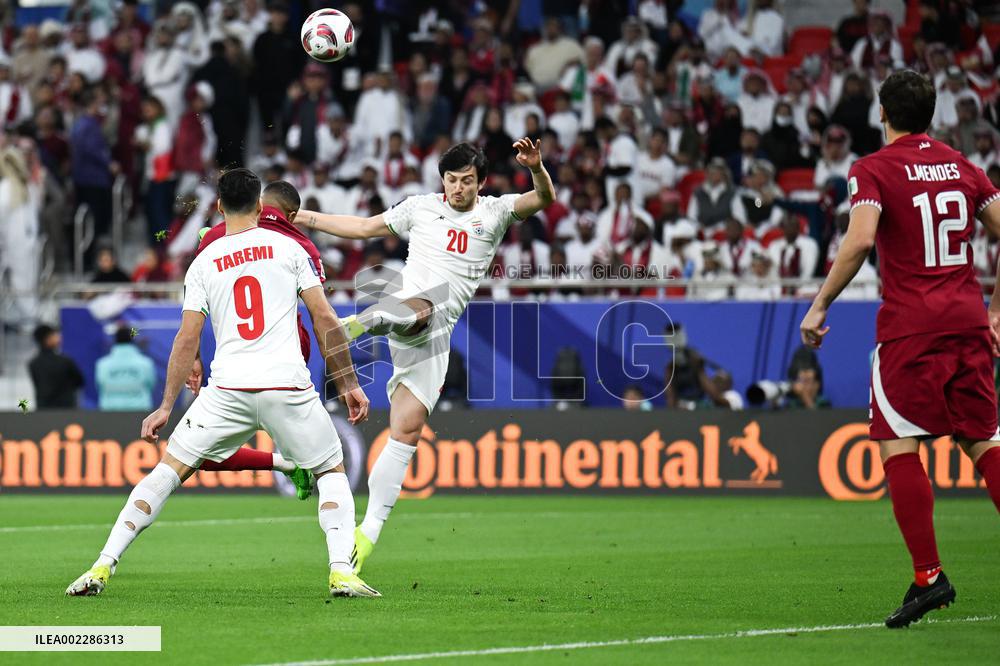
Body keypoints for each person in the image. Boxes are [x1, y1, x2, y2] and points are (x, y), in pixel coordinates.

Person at [66, 169, 379, 598]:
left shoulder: (204, 261)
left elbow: (187, 338)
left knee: (166, 473)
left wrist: (165, 405)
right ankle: (341, 570)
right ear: (259, 208)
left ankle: (102, 565)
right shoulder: (289, 248)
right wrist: (347, 383)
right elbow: (325, 319)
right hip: (286, 386)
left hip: (228, 389)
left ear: (217, 208)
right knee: (331, 470)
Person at [295, 138, 555, 574]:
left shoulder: (494, 212)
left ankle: (367, 535)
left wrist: (536, 168)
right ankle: (364, 322)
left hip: (435, 336)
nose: (458, 188)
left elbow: (544, 198)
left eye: (467, 181)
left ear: (481, 182)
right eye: (451, 180)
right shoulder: (419, 208)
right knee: (421, 303)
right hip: (411, 306)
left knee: (406, 432)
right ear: (442, 181)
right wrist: (303, 217)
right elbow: (362, 228)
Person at [800, 70, 1000, 628]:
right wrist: (997, 309)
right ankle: (926, 578)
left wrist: (819, 306)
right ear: (931, 114)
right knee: (983, 443)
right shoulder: (963, 166)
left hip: (911, 327)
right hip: (966, 322)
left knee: (898, 443)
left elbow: (862, 238)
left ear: (882, 113)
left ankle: (928, 577)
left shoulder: (872, 169)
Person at [96, 327, 157, 411]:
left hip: (109, 413)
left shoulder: (102, 364)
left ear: (114, 340)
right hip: (140, 412)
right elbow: (150, 386)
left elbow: (100, 386)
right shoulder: (146, 363)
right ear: (133, 340)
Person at [28, 324, 84, 409]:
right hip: (66, 411)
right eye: (54, 335)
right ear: (47, 339)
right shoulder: (65, 361)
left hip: (43, 411)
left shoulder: (33, 364)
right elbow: (79, 381)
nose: (58, 337)